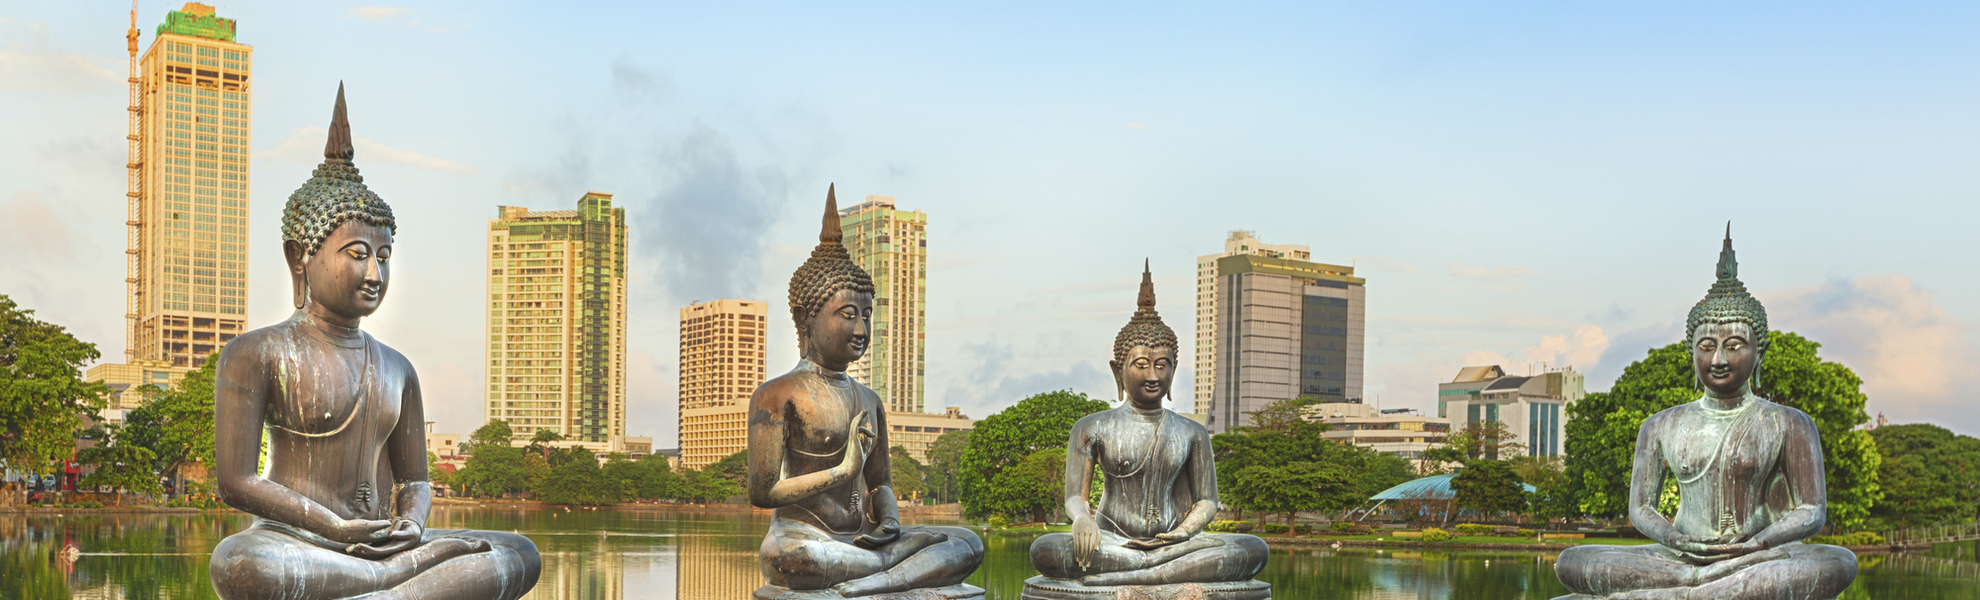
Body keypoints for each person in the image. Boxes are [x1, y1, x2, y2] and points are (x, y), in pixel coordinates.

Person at [207, 85, 540, 600]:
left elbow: (415, 481)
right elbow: (236, 482)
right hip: (297, 544)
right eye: (357, 253)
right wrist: (334, 530)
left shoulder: (397, 368)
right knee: (239, 563)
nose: (373, 272)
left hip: (387, 545)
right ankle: (394, 588)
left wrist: (411, 523)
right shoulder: (258, 353)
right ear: (300, 258)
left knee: (517, 552)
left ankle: (384, 583)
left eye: (383, 256)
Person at [1552, 228, 1856, 600]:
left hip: (1755, 557)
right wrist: (1674, 538)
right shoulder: (1660, 425)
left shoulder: (1788, 422)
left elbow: (1811, 510)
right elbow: (1641, 507)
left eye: (1734, 346)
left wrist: (1758, 543)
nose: (1719, 360)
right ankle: (1699, 588)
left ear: (1759, 352)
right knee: (1573, 561)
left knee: (1837, 562)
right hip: (1678, 556)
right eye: (1707, 346)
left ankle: (1683, 594)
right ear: (1691, 351)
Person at [747, 186, 985, 599]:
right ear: (806, 318)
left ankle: (874, 579)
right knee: (799, 563)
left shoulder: (870, 400)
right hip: (803, 538)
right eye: (847, 315)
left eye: (867, 316)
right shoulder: (778, 394)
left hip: (863, 542)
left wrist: (890, 520)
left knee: (968, 543)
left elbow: (880, 485)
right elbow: (763, 493)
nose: (861, 330)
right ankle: (889, 571)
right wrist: (841, 471)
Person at [1026, 264, 1269, 590]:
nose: (1153, 376)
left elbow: (1207, 501)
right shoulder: (1092, 427)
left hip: (1174, 542)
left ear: (1174, 369)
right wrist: (1083, 519)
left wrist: (1183, 533)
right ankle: (1153, 569)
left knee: (1253, 549)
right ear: (1118, 371)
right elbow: (1075, 497)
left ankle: (1139, 572)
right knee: (1046, 550)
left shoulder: (1192, 432)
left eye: (1162, 365)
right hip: (1112, 541)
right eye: (1141, 365)